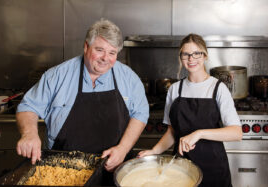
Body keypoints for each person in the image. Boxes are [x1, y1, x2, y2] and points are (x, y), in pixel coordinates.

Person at [16, 19, 149, 176]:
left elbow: (140, 113)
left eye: (112, 53)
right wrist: (29, 134)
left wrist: (123, 149)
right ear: (86, 47)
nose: (105, 58)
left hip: (113, 166)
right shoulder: (57, 75)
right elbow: (28, 107)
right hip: (62, 169)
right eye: (99, 50)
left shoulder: (129, 78)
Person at [138, 33, 242, 187]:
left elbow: (236, 133)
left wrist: (199, 133)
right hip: (182, 169)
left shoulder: (218, 88)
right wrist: (154, 151)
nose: (191, 59)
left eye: (196, 54)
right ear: (181, 58)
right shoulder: (175, 89)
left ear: (205, 55)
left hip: (213, 168)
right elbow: (172, 133)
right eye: (186, 54)